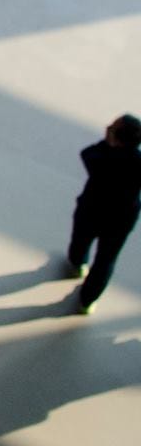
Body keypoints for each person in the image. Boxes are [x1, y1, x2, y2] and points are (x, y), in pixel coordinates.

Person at [67, 114, 140, 315]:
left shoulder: (102, 157)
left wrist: (107, 144)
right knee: (106, 260)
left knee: (80, 240)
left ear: (116, 137)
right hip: (121, 220)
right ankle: (87, 301)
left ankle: (78, 264)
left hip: (91, 210)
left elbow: (87, 154)